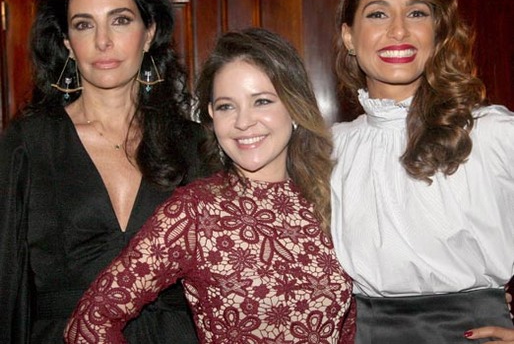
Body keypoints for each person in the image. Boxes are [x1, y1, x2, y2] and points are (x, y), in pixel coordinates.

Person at [63, 27, 356, 343]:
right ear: (212, 116)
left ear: (294, 107)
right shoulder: (195, 212)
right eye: (227, 106)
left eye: (262, 101)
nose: (243, 122)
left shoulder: (330, 199)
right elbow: (90, 323)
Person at [0, 0, 206, 344]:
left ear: (149, 33)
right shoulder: (28, 145)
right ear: (66, 42)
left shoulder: (195, 146)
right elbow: (7, 288)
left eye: (120, 20)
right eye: (84, 25)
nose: (103, 41)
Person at [330, 0, 514, 344]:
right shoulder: (330, 149)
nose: (399, 30)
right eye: (377, 14)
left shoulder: (493, 132)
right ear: (349, 37)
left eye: (416, 13)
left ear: (438, 31)